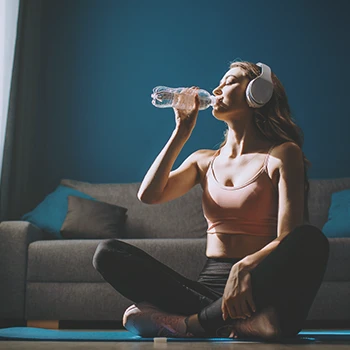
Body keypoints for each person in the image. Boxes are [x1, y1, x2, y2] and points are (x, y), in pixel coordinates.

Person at [92, 60, 330, 340]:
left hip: (261, 282)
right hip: (208, 288)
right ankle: (239, 323)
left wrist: (245, 266)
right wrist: (181, 131)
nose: (216, 89)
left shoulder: (281, 154)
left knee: (312, 239)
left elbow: (289, 237)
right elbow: (149, 195)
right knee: (107, 253)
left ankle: (188, 324)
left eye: (229, 81)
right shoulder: (203, 160)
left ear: (258, 93)